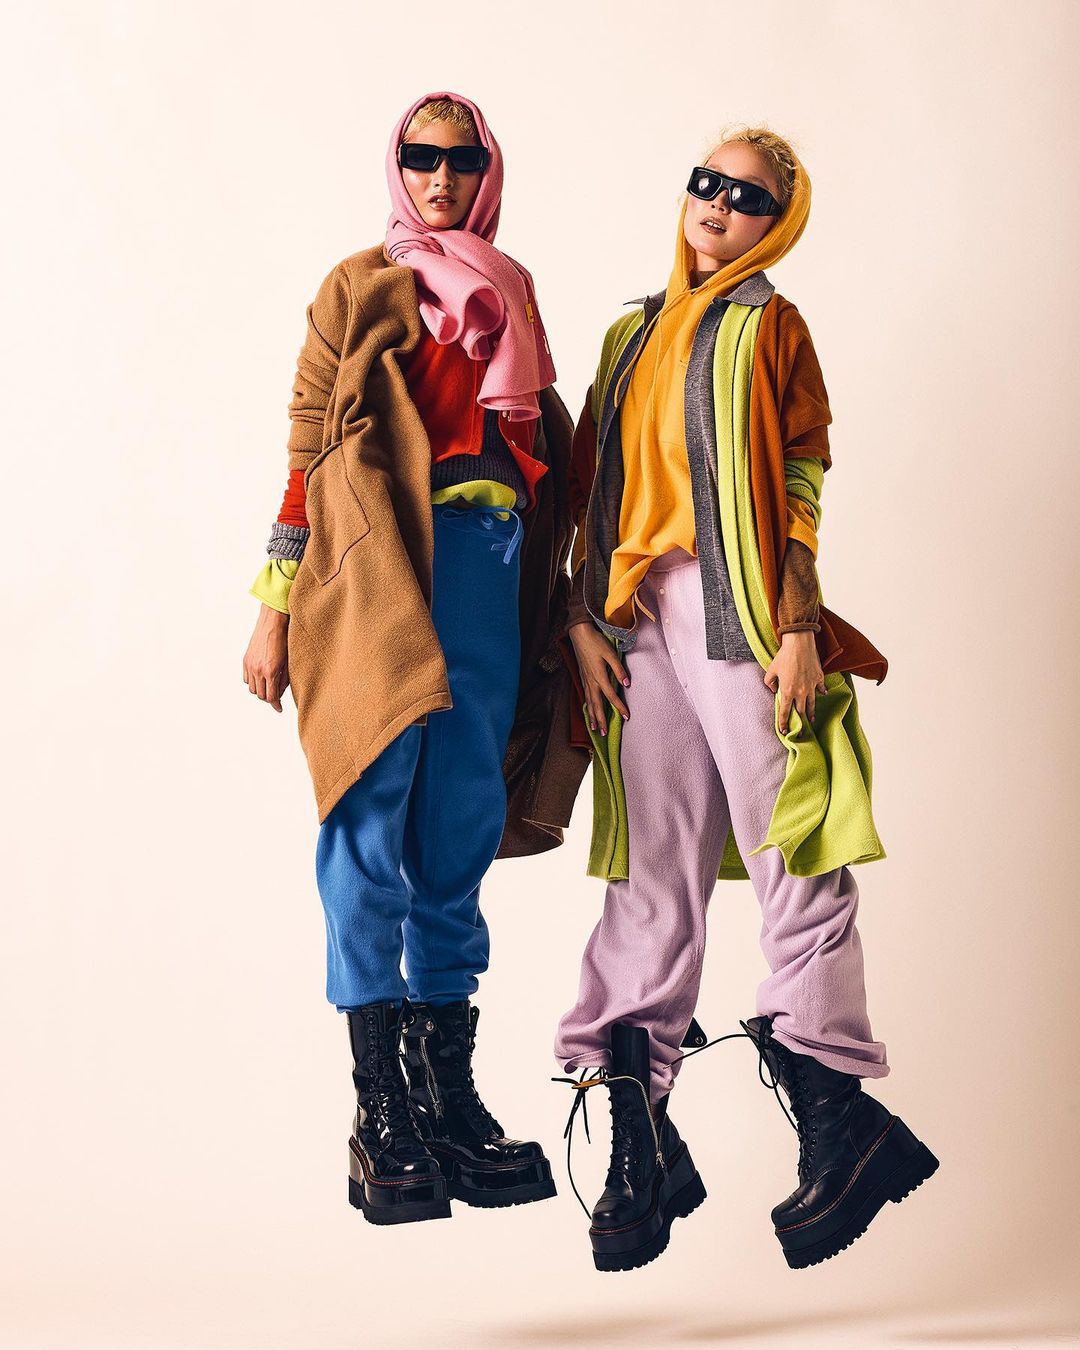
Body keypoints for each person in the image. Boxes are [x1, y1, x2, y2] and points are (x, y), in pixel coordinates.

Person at [554, 126, 937, 1272]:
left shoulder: (773, 327)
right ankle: (642, 1138)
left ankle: (841, 1121)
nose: (719, 204)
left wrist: (801, 623)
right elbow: (587, 492)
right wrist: (578, 622)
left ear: (780, 223)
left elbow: (803, 479)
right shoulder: (629, 333)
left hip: (741, 613)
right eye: (707, 182)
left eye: (750, 197)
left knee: (792, 843)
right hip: (630, 628)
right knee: (648, 873)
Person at [242, 92, 587, 1226]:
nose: (442, 178)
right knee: (368, 802)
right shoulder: (357, 285)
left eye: (463, 158)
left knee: (460, 818)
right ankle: (379, 1108)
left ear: (488, 169)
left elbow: (537, 444)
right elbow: (308, 450)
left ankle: (447, 1099)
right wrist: (274, 606)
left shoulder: (513, 287)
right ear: (399, 168)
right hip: (377, 569)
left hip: (488, 566)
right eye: (422, 157)